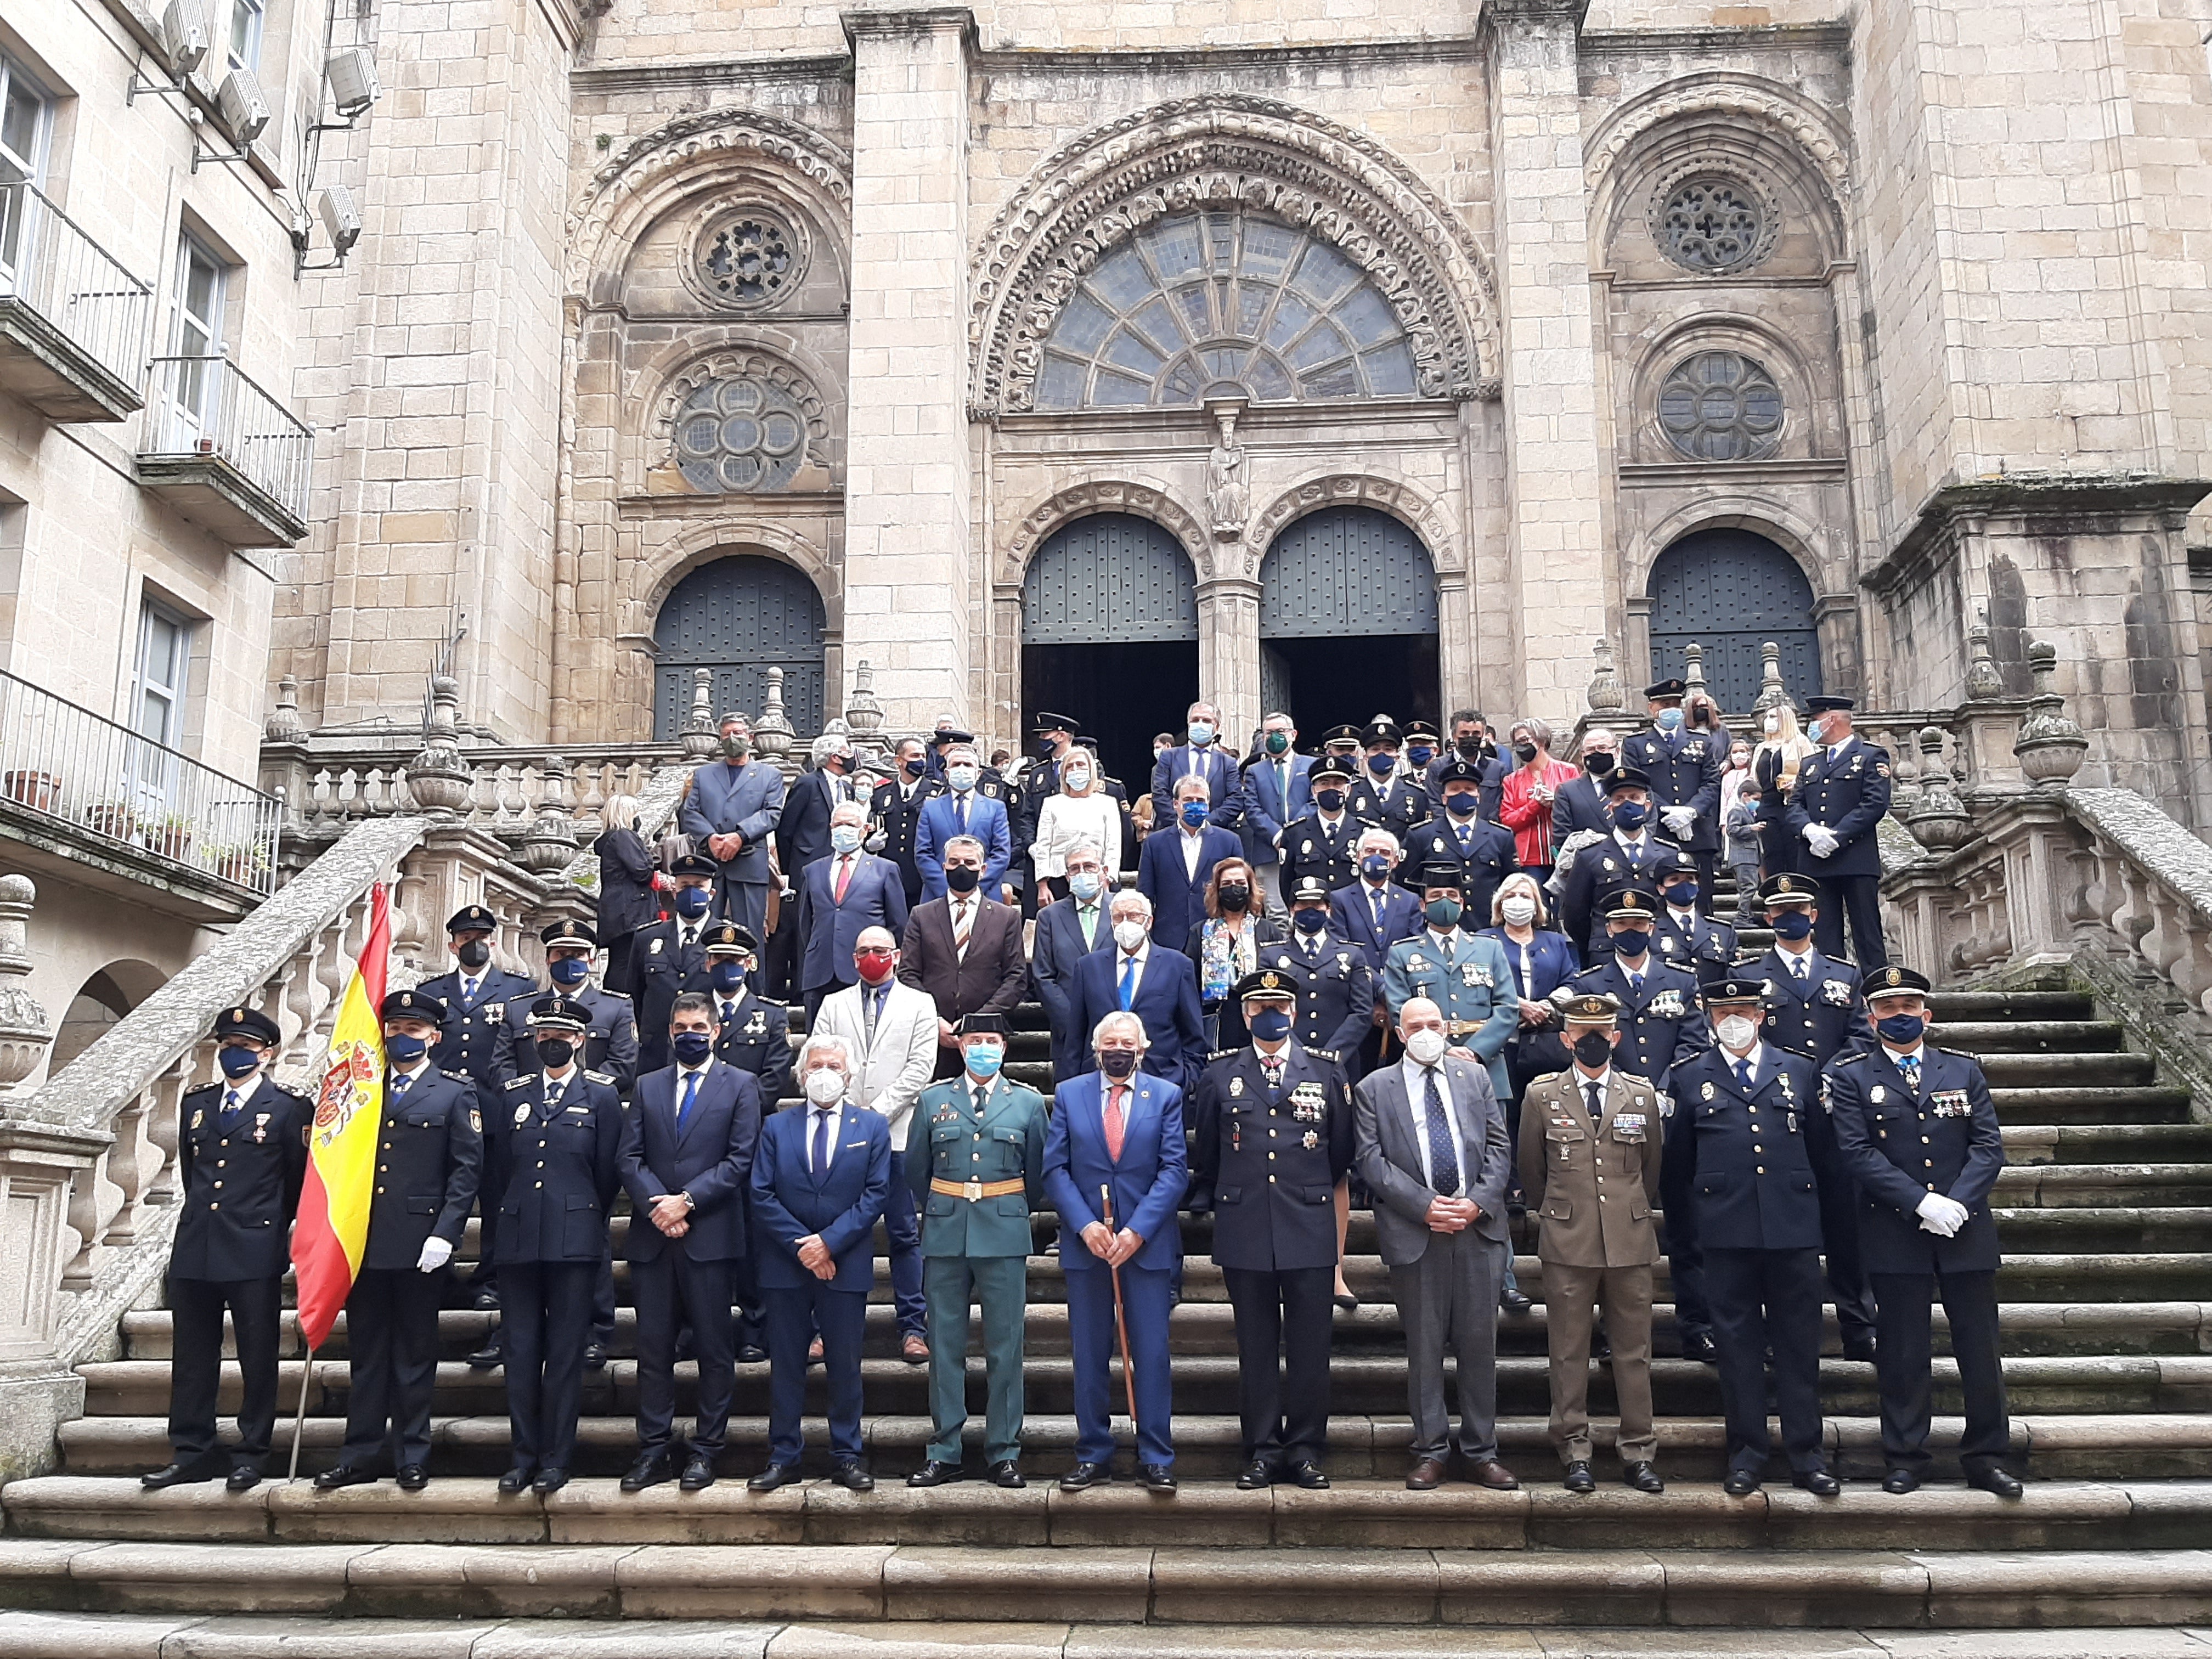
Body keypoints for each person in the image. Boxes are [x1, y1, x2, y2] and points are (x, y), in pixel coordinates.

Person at [1826, 966, 2019, 1498]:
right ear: (1871, 1019)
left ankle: (1987, 1455)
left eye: (1909, 1008)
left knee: (1980, 1350)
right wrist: (1920, 1202)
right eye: (1888, 1009)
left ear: (1926, 1015)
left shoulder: (1963, 1071)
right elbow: (1857, 1153)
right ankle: (1906, 1456)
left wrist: (1957, 1202)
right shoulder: (1852, 1078)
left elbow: (1988, 1147)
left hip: (1966, 1229)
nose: (1900, 1017)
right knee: (1904, 1352)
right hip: (1896, 1231)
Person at [1667, 978, 1839, 1496]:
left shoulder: (1800, 1070)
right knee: (1737, 1347)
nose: (1734, 1019)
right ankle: (1746, 1453)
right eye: (1723, 1012)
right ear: (1709, 1017)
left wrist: (1826, 1232)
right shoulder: (1689, 1075)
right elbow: (1677, 1169)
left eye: (1743, 1010)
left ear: (1761, 1014)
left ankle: (1807, 1454)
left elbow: (1825, 1156)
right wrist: (1690, 1237)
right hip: (1725, 1231)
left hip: (1793, 1228)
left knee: (1798, 1345)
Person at [1188, 970, 1357, 1489]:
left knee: (1311, 1346)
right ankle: (1261, 1447)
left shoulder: (1328, 1071)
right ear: (1244, 1015)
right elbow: (1209, 1153)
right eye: (1260, 1006)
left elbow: (1342, 1151)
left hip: (1308, 1223)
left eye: (1279, 1004)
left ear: (1293, 1010)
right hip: (1245, 1225)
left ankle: (1306, 1448)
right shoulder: (1219, 1075)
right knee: (1255, 1346)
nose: (1270, 1013)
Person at [314, 990, 481, 1492]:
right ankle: (360, 1454)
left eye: (413, 1030)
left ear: (434, 1035)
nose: (401, 1037)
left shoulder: (454, 1092)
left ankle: (413, 1452)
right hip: (362, 1241)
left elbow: (466, 1172)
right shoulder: (361, 1089)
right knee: (366, 1355)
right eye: (395, 1028)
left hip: (419, 1243)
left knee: (413, 1354)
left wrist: (446, 1234)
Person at [143, 1007, 309, 1493]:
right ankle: (191, 1450)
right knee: (192, 1355)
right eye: (227, 1045)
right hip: (197, 1244)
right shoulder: (198, 1103)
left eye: (246, 1046)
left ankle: (252, 1451)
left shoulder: (289, 1107)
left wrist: (281, 1232)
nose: (234, 1054)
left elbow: (296, 1182)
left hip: (253, 1245)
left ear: (268, 1053)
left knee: (258, 1356)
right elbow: (195, 1173)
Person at [1354, 995, 1516, 1491]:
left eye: (1433, 1023)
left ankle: (1481, 1452)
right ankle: (1430, 1451)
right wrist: (1426, 1206)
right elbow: (1371, 1160)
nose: (1425, 1032)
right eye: (1415, 1026)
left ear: (1447, 1028)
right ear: (1401, 1034)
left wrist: (1476, 1203)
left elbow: (1498, 1145)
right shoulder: (1372, 1088)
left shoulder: (1475, 1078)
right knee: (1424, 1349)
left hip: (1477, 1230)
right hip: (1416, 1232)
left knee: (1479, 1347)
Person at [473, 921, 638, 1374]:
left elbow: (624, 1064)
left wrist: (580, 1091)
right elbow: (500, 1064)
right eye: (559, 952)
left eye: (578, 952)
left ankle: (595, 1330)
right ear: (546, 959)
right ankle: (512, 1332)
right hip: (524, 1131)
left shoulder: (614, 1008)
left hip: (587, 1130)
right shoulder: (520, 1008)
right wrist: (525, 1096)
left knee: (592, 1233)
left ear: (591, 959)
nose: (568, 960)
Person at [1519, 992, 1666, 1494]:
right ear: (1567, 1040)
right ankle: (1574, 1448)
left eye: (1603, 1035)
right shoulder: (1542, 1096)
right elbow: (1532, 1173)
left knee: (1633, 1352)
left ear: (1617, 1038)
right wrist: (1562, 1211)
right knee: (1568, 1351)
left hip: (1629, 1239)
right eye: (1584, 1036)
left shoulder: (1641, 1096)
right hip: (1568, 1238)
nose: (1594, 1043)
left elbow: (1651, 1172)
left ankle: (1638, 1450)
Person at [615, 994, 763, 1492]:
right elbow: (629, 1156)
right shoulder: (648, 1084)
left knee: (714, 1349)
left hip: (711, 1237)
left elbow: (741, 1160)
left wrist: (688, 1202)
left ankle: (706, 1450)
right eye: (680, 1026)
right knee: (653, 1349)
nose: (689, 1034)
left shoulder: (741, 1086)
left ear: (717, 1031)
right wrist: (660, 1205)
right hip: (654, 1237)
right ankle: (653, 1449)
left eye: (699, 1025)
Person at [1564, 887, 1715, 1362]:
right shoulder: (1591, 985)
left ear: (1653, 927)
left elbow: (1693, 1043)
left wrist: (1665, 1091)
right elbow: (1590, 1050)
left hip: (1675, 1116)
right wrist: (1632, 1093)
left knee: (1689, 1229)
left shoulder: (1682, 981)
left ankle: (1698, 1325)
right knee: (1613, 1232)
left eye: (1640, 925)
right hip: (1612, 1120)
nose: (1631, 933)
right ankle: (1614, 1331)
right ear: (1608, 930)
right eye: (1621, 925)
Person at [905, 1015, 1050, 1487]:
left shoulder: (1027, 1103)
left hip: (1004, 1232)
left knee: (1005, 1347)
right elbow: (916, 1171)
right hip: (947, 1232)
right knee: (945, 1345)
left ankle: (1003, 1450)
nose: (983, 1048)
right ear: (961, 1047)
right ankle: (945, 1449)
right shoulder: (933, 1100)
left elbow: (1039, 1174)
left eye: (991, 1041)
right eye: (974, 1041)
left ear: (1005, 1048)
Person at [1047, 1010, 1187, 1491]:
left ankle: (1156, 1455)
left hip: (1144, 1248)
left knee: (1151, 1353)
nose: (1118, 1049)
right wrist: (1085, 1226)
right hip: (1088, 1245)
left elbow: (1174, 1171)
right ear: (1095, 1048)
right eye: (1109, 1042)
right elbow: (1055, 1169)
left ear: (1143, 1049)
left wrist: (1137, 1232)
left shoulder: (1166, 1096)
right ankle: (1093, 1452)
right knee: (1088, 1354)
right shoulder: (1069, 1094)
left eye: (1127, 1042)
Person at [488, 997, 623, 1496]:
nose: (552, 1043)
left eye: (562, 1036)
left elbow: (607, 1174)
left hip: (575, 1238)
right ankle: (522, 1455)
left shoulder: (602, 1096)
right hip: (520, 1235)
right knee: (521, 1352)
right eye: (544, 1036)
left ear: (581, 1041)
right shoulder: (514, 1093)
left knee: (565, 1355)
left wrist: (581, 1213)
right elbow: (502, 1167)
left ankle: (555, 1459)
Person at [747, 1035, 888, 1493]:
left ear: (848, 1077)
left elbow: (875, 1195)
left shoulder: (872, 1127)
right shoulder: (776, 1127)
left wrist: (828, 1244)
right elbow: (761, 1193)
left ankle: (847, 1455)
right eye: (816, 1065)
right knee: (786, 1363)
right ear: (802, 1074)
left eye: (834, 1066)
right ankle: (784, 1455)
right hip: (785, 1265)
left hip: (844, 1262)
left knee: (845, 1364)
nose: (824, 1073)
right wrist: (802, 1248)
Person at [1752, 872, 1877, 1361]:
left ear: (1815, 915)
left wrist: (1831, 1075)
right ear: (1768, 919)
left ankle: (1858, 1324)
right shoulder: (1752, 975)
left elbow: (1862, 1036)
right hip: (1777, 1115)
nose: (1790, 919)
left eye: (1799, 910)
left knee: (1846, 1222)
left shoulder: (1844, 975)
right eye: (1780, 912)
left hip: (1834, 1117)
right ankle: (1781, 1325)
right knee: (1779, 1223)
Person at [810, 927, 937, 1362]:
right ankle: (828, 1328)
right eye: (863, 951)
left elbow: (920, 1069)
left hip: (899, 1134)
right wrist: (851, 1117)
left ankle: (913, 1327)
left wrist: (873, 1117)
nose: (871, 957)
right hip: (842, 1136)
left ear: (897, 956)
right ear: (852, 958)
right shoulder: (833, 1004)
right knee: (838, 1231)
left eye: (879, 951)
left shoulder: (920, 1005)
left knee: (904, 1233)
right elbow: (820, 1062)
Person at [415, 905, 533, 1313]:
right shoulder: (431, 994)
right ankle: (441, 1272)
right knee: (441, 1193)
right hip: (444, 1113)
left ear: (494, 942)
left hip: (497, 1109)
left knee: (497, 1199)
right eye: (466, 939)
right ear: (452, 945)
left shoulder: (519, 990)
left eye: (482, 938)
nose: (475, 945)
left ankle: (490, 1278)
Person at [1477, 872, 1579, 1205]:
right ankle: (1511, 1186)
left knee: (1549, 1112)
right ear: (1499, 904)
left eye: (1525, 896)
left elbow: (1573, 981)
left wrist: (1546, 1006)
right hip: (1500, 1041)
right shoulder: (1482, 941)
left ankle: (1551, 1184)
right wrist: (1518, 1005)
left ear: (1536, 905)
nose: (1518, 902)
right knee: (1508, 1115)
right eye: (1511, 896)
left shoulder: (1556, 942)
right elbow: (1479, 984)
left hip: (1546, 1039)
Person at [1380, 864, 1518, 1105]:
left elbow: (1507, 1009)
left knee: (1491, 1140)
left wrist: (1475, 1051)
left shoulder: (1490, 948)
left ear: (1462, 904)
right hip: (1427, 1061)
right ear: (1423, 906)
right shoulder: (1402, 953)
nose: (1445, 901)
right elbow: (1399, 1010)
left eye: (1452, 896)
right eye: (1435, 896)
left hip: (1486, 1065)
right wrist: (1444, 1050)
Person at [898, 832, 1029, 1080]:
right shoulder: (921, 915)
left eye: (969, 863)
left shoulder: (1006, 917)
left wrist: (978, 1023)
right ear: (944, 866)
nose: (961, 868)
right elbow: (908, 974)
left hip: (986, 1041)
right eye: (955, 862)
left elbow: (1016, 977)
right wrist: (933, 1020)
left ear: (983, 869)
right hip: (933, 1035)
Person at [1785, 696, 1893, 971]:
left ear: (1830, 720)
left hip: (1855, 857)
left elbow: (1874, 804)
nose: (1811, 726)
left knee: (1867, 931)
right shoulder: (1810, 763)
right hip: (1815, 860)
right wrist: (1810, 830)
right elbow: (1795, 805)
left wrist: (1836, 836)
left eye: (1814, 720)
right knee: (1826, 933)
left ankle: (1875, 990)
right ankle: (1833, 991)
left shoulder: (1871, 756)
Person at [1070, 889, 1206, 1096]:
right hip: (1100, 1084)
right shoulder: (1088, 967)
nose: (1126, 922)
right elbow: (1076, 1035)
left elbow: (1193, 1034)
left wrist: (1186, 1082)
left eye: (1133, 916)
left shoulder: (1177, 966)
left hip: (1162, 1082)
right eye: (1118, 917)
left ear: (1149, 922)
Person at [794, 797, 910, 1026]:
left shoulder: (884, 870)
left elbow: (898, 924)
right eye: (838, 825)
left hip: (867, 969)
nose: (843, 830)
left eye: (850, 825)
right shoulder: (812, 870)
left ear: (865, 829)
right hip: (821, 970)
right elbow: (805, 923)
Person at [678, 712, 788, 940]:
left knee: (750, 936)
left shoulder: (770, 776)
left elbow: (772, 813)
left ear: (751, 738)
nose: (732, 739)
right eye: (726, 734)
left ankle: (752, 978)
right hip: (710, 864)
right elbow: (690, 812)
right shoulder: (703, 774)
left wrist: (740, 836)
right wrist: (710, 837)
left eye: (738, 733)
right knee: (702, 933)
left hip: (749, 862)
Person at [768, 733, 860, 996]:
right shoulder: (807, 783)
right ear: (834, 757)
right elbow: (786, 830)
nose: (851, 755)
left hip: (840, 866)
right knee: (804, 928)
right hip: (809, 866)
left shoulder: (849, 788)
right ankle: (801, 986)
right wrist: (792, 868)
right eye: (846, 750)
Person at [1558, 766, 1683, 958]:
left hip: (1659, 952)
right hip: (1607, 954)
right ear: (1610, 808)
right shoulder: (1589, 856)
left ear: (1648, 805)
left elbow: (1679, 907)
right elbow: (1575, 916)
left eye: (1634, 798)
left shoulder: (1668, 854)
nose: (1627, 804)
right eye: (1619, 799)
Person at [1621, 677, 1725, 906]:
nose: (1671, 710)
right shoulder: (1635, 744)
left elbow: (1711, 782)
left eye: (1675, 704)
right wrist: (1668, 812)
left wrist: (1690, 812)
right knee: (1659, 900)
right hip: (1658, 832)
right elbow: (1637, 786)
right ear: (1652, 708)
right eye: (1664, 705)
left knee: (1703, 900)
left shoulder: (1702, 742)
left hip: (1698, 834)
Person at [627, 854, 721, 1075]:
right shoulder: (647, 938)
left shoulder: (725, 939)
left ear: (712, 893)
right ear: (674, 890)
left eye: (699, 886)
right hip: (655, 1054)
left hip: (706, 1051)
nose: (691, 891)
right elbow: (633, 995)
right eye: (685, 885)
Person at [1031, 838, 1112, 1082]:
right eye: (1075, 869)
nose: (1082, 873)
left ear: (1104, 871)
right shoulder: (1049, 917)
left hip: (1119, 1033)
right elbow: (1043, 976)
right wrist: (1074, 1023)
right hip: (1068, 1037)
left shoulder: (1122, 909)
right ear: (1066, 876)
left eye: (1089, 866)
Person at [1185, 855, 1285, 1048]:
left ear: (1250, 888)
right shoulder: (1201, 931)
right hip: (1217, 1019)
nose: (1234, 888)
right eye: (1227, 884)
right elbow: (1190, 980)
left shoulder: (1267, 930)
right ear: (1217, 890)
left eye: (1240, 883)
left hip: (1258, 1016)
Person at [1401, 758, 1517, 923]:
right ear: (1444, 798)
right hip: (1439, 928)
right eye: (1454, 789)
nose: (1462, 794)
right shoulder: (1421, 835)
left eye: (1469, 789)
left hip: (1487, 928)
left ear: (1478, 796)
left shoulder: (1501, 836)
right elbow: (1407, 885)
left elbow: (1511, 884)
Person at [1139, 773, 1243, 951]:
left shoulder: (1229, 841)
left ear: (1208, 804)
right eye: (1188, 799)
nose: (1195, 804)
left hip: (1216, 935)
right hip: (1168, 938)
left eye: (1200, 800)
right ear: (1176, 804)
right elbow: (1145, 893)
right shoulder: (1155, 844)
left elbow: (1240, 890)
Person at [1225, 710, 1313, 909]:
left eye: (1280, 731)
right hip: (1268, 850)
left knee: (1309, 903)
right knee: (1276, 911)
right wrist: (1277, 836)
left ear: (1293, 734)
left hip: (1306, 847)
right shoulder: (1253, 771)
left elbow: (1313, 802)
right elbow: (1253, 809)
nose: (1274, 737)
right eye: (1269, 733)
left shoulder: (1311, 766)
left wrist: (1292, 833)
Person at [915, 742, 1013, 902]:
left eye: (967, 765)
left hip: (985, 895)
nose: (961, 768)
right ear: (947, 773)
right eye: (956, 765)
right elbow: (923, 854)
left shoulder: (995, 808)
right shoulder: (930, 808)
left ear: (978, 773)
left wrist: (973, 888)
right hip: (938, 896)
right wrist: (949, 890)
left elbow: (1001, 854)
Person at [1032, 743, 1122, 905]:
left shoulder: (1107, 803)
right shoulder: (1052, 803)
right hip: (1059, 877)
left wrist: (1109, 878)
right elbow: (1043, 846)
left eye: (1080, 765)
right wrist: (1042, 885)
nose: (1075, 770)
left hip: (1098, 876)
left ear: (1091, 770)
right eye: (1070, 766)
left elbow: (1113, 843)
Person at [1496, 717, 1578, 886]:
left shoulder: (1568, 771)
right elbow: (1508, 821)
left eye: (1525, 740)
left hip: (1565, 853)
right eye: (1517, 742)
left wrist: (1557, 803)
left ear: (1541, 739)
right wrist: (1535, 805)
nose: (1521, 746)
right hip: (1530, 858)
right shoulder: (1512, 780)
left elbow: (1581, 808)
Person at [593, 793, 658, 997]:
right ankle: (620, 1005)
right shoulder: (623, 836)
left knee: (621, 961)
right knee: (626, 964)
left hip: (619, 911)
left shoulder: (612, 840)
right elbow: (642, 871)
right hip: (630, 912)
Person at [871, 736, 944, 909]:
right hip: (889, 877)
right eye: (914, 756)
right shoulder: (882, 793)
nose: (920, 761)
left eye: (923, 757)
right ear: (899, 761)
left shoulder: (938, 792)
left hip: (923, 878)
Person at [1752, 702, 1818, 880]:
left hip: (1792, 802)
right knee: (1772, 852)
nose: (1768, 721)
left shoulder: (1800, 742)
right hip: (1768, 803)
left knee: (1794, 850)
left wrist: (1796, 783)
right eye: (1767, 717)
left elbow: (1813, 771)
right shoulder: (1761, 748)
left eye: (1773, 717)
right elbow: (1754, 778)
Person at [1278, 757, 1362, 896]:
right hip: (1312, 913)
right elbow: (1286, 884)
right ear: (1314, 791)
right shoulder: (1295, 833)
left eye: (1337, 784)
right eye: (1324, 784)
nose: (1331, 789)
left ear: (1348, 790)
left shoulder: (1364, 831)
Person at [1654, 860, 1737, 991]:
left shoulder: (1723, 931)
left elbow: (1732, 979)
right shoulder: (1650, 931)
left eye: (1690, 879)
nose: (1684, 884)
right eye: (1675, 879)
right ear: (1661, 889)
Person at [1346, 719, 1431, 847]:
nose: (1382, 754)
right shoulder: (1350, 793)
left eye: (1388, 749)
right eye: (1375, 749)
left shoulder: (1416, 794)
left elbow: (1422, 837)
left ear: (1397, 755)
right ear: (1365, 755)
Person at [1149, 698, 1238, 821]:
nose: (1200, 724)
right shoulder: (1168, 757)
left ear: (1217, 727)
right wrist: (1182, 823)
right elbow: (1160, 794)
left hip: (1214, 833)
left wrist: (1206, 824)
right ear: (1189, 724)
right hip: (1173, 831)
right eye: (1195, 720)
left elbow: (1235, 799)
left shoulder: (1228, 763)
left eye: (1206, 721)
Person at [1719, 738, 1763, 928]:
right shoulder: (1737, 810)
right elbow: (1733, 830)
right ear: (1745, 796)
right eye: (1755, 799)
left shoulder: (1749, 811)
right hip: (1742, 856)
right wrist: (1751, 829)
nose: (1757, 802)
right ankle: (1742, 917)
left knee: (1748, 886)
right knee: (1749, 887)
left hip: (1750, 856)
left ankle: (1747, 915)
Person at [1435, 710, 1509, 821]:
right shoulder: (1437, 767)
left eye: (1476, 734)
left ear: (1483, 735)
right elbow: (1436, 806)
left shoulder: (1498, 769)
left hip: (1487, 834)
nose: (1470, 738)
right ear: (1454, 735)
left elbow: (1499, 807)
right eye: (1465, 733)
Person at [1550, 727, 1619, 844]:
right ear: (1582, 755)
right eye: (1591, 750)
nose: (1596, 753)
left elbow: (1649, 825)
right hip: (1589, 859)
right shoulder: (1567, 792)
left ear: (1617, 752)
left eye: (1602, 748)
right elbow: (1562, 837)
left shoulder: (1635, 785)